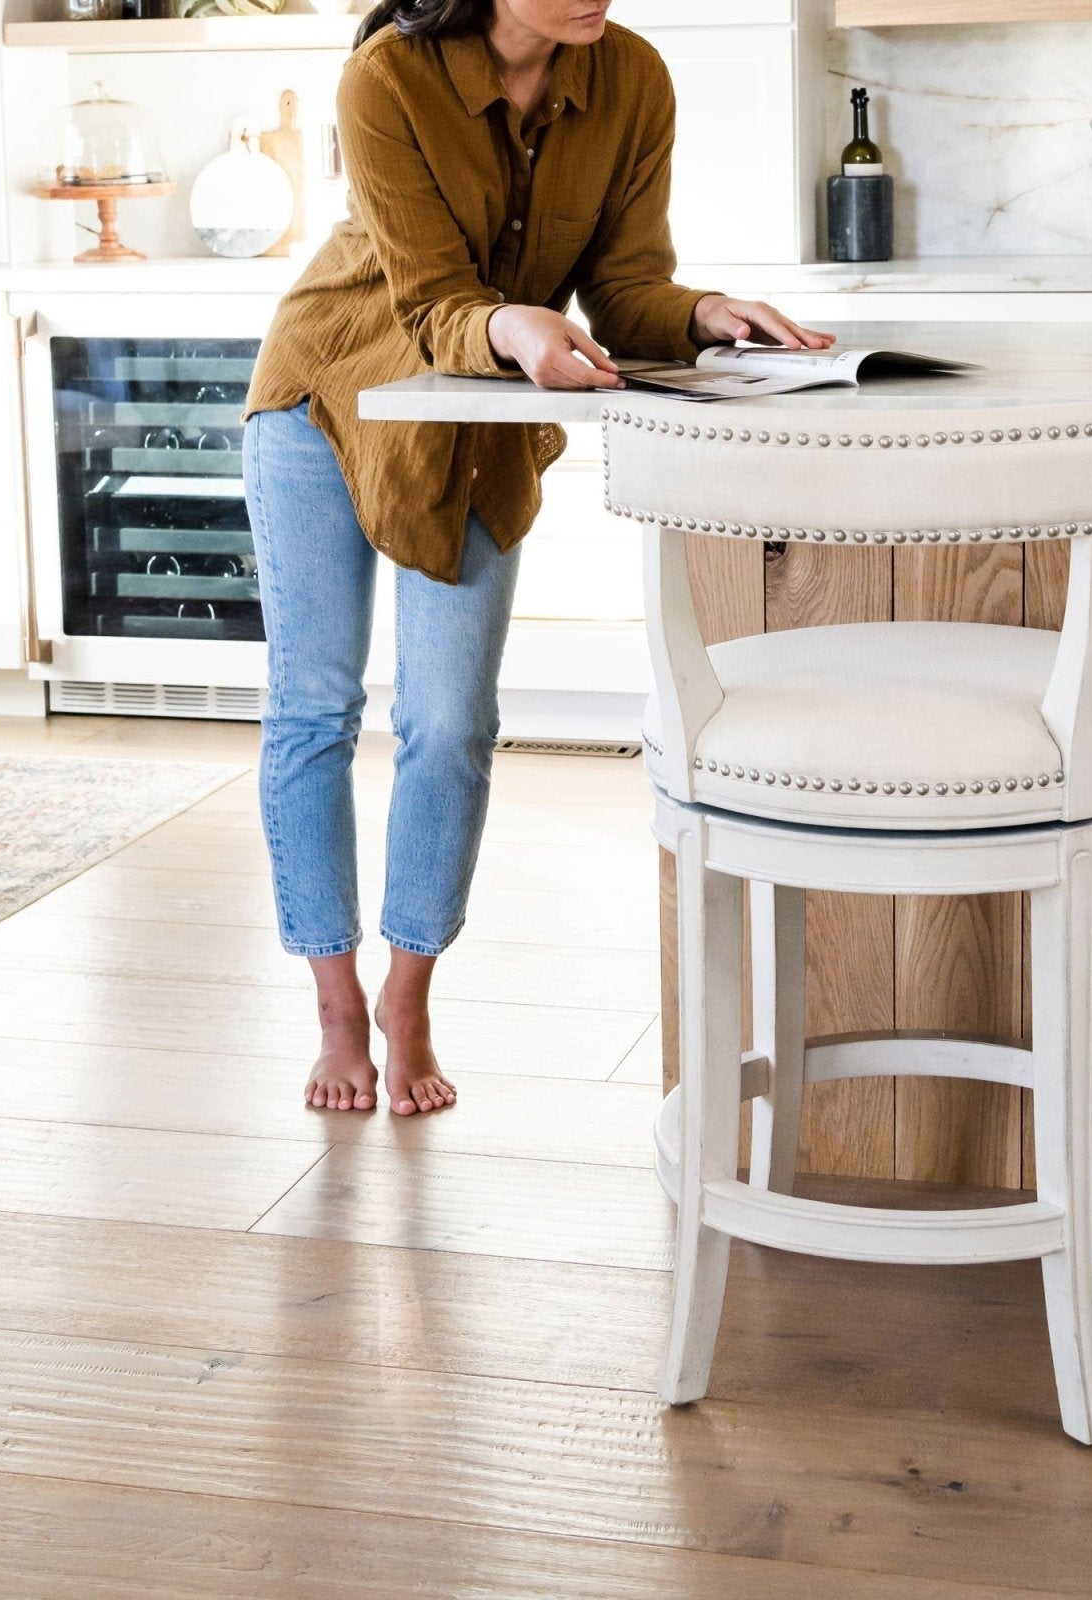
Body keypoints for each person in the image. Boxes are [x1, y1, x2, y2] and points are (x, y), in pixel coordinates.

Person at [241, 0, 833, 1115]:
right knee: (313, 705)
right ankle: (332, 1003)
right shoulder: (388, 78)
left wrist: (704, 312)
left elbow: (624, 289)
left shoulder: (632, 80)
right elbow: (431, 302)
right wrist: (514, 327)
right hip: (323, 396)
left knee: (451, 720)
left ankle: (406, 996)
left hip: (467, 421)